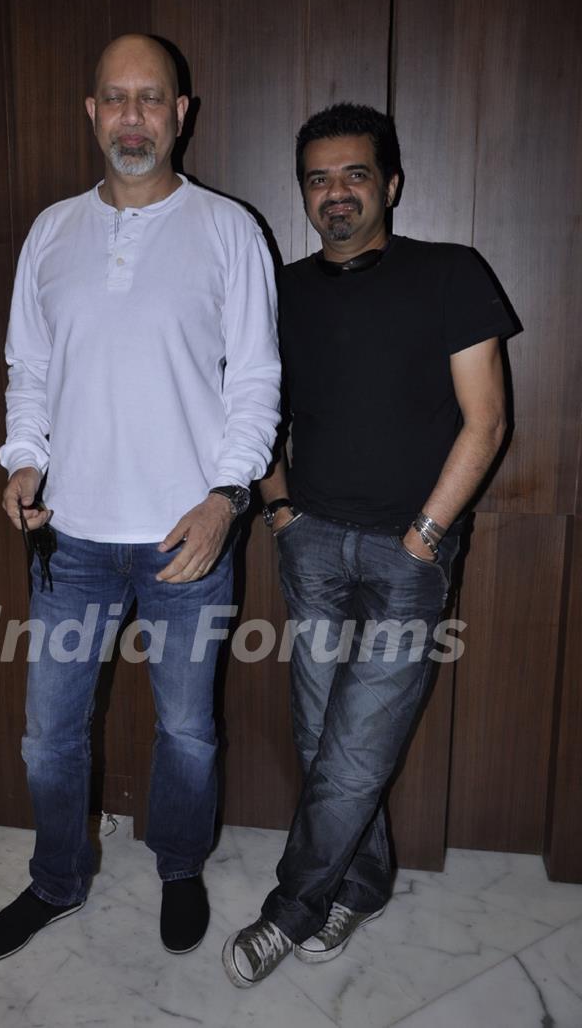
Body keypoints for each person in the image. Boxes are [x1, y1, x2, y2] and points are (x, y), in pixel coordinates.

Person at [0, 34, 280, 963]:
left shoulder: (230, 229)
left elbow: (256, 383)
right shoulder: (51, 232)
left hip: (189, 540)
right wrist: (24, 461)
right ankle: (58, 881)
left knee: (188, 729)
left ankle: (179, 867)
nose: (134, 116)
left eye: (153, 99)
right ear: (92, 112)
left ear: (182, 113)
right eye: (116, 98)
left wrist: (227, 498)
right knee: (46, 741)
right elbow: (29, 368)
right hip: (69, 540)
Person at [222, 102, 513, 986]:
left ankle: (291, 907)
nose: (336, 193)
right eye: (318, 178)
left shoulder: (451, 273)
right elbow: (254, 409)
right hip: (310, 545)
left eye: (355, 175)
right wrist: (277, 508)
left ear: (390, 182)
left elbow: (487, 421)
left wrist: (428, 534)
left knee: (352, 748)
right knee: (324, 741)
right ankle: (365, 881)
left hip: (406, 557)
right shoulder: (284, 291)